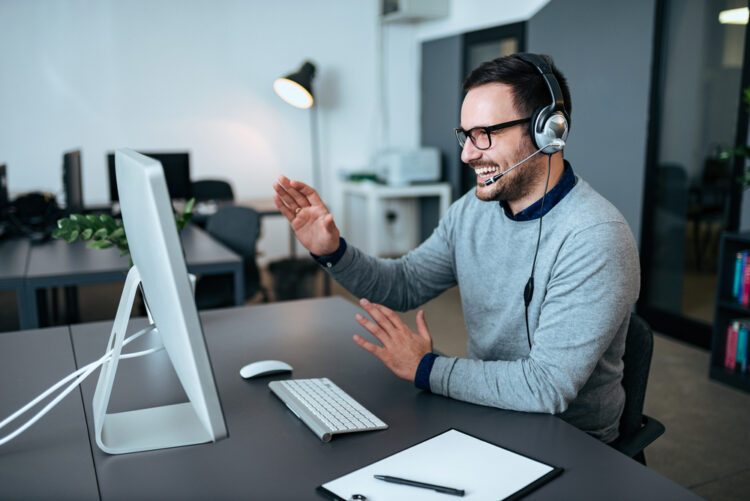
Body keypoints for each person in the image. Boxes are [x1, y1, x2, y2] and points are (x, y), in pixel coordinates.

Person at [271, 53, 639, 444]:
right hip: (485, 410)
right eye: (465, 135)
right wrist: (333, 251)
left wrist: (426, 369)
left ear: (548, 130)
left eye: (485, 134)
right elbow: (405, 284)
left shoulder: (595, 237)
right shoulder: (471, 212)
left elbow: (546, 387)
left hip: (571, 443)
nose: (467, 154)